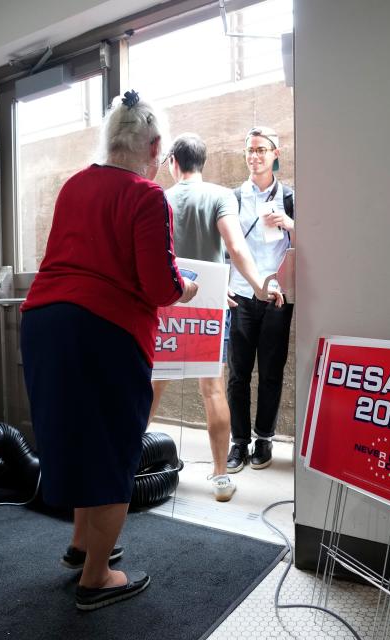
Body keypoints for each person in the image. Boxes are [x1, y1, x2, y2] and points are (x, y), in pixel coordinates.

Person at [20, 90, 197, 611]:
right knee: (116, 445)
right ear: (156, 146)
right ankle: (96, 577)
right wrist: (187, 285)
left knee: (75, 436)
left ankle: (80, 546)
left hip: (43, 320)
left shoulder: (75, 184)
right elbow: (159, 285)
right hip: (104, 329)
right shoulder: (147, 196)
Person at [147, 133, 280, 502]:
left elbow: (156, 254)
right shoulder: (221, 196)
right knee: (213, 390)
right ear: (201, 162)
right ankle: (221, 478)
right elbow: (236, 247)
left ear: (173, 162)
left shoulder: (160, 198)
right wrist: (258, 286)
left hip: (168, 303)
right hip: (208, 303)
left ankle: (128, 466)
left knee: (153, 389)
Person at [226, 126, 295, 473]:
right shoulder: (234, 197)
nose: (254, 156)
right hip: (240, 294)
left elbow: (313, 241)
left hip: (278, 297)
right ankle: (239, 442)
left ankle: (263, 437)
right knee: (238, 373)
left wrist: (290, 222)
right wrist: (223, 284)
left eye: (261, 150)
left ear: (275, 154)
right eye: (250, 150)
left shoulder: (290, 197)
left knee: (271, 371)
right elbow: (224, 246)